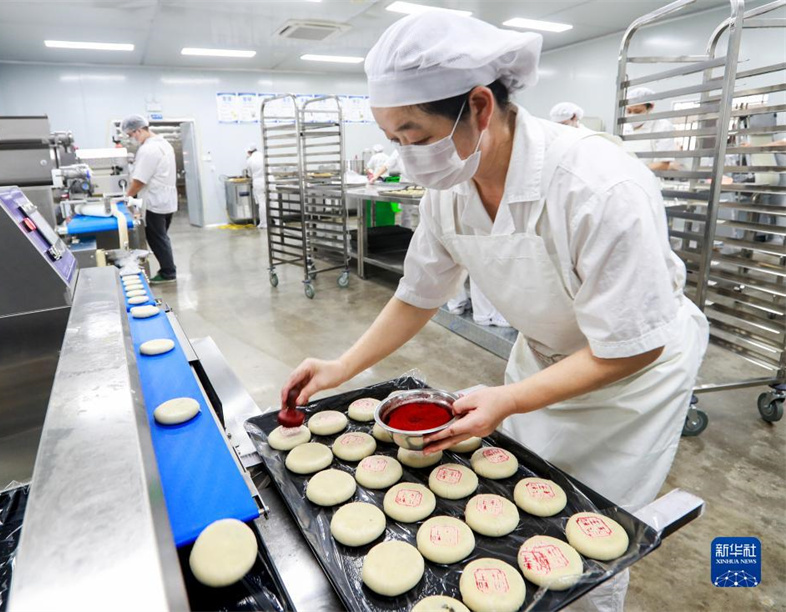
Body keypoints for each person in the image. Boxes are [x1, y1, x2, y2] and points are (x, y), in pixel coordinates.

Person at [281, 13, 708, 612]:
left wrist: (509, 399)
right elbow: (417, 295)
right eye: (392, 139)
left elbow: (635, 344)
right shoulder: (451, 187)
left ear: (480, 106)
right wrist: (340, 366)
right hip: (542, 356)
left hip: (633, 381)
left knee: (591, 533)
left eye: (415, 133)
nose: (407, 156)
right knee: (519, 494)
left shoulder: (597, 186)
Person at [122, 115, 178, 284]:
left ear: (139, 130)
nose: (132, 139)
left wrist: (127, 196)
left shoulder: (148, 149)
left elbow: (140, 180)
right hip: (167, 200)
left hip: (154, 201)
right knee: (161, 237)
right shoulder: (164, 144)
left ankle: (168, 273)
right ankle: (168, 270)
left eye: (131, 135)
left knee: (157, 238)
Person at [623, 87, 678, 172]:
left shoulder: (662, 126)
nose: (632, 115)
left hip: (647, 180)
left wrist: (633, 172)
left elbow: (663, 164)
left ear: (650, 107)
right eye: (629, 111)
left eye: (637, 111)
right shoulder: (625, 127)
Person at [246, 143, 267, 229]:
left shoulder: (250, 160)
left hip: (259, 182)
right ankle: (278, 221)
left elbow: (250, 174)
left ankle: (264, 223)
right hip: (269, 180)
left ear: (249, 152)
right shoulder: (264, 155)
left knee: (262, 203)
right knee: (273, 201)